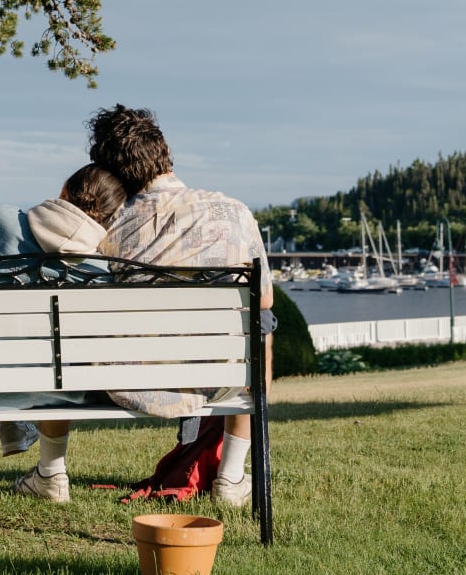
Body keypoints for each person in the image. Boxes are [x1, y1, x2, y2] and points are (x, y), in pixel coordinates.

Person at [18, 105, 274, 508]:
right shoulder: (234, 213)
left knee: (61, 328)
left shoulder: (106, 227)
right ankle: (231, 477)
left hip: (120, 383)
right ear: (165, 152)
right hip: (214, 380)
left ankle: (50, 472)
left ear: (112, 172)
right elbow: (265, 298)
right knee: (262, 321)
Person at [0, 163, 126, 517]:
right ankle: (14, 424)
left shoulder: (4, 221)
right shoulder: (99, 270)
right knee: (44, 361)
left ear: (63, 191)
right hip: (59, 389)